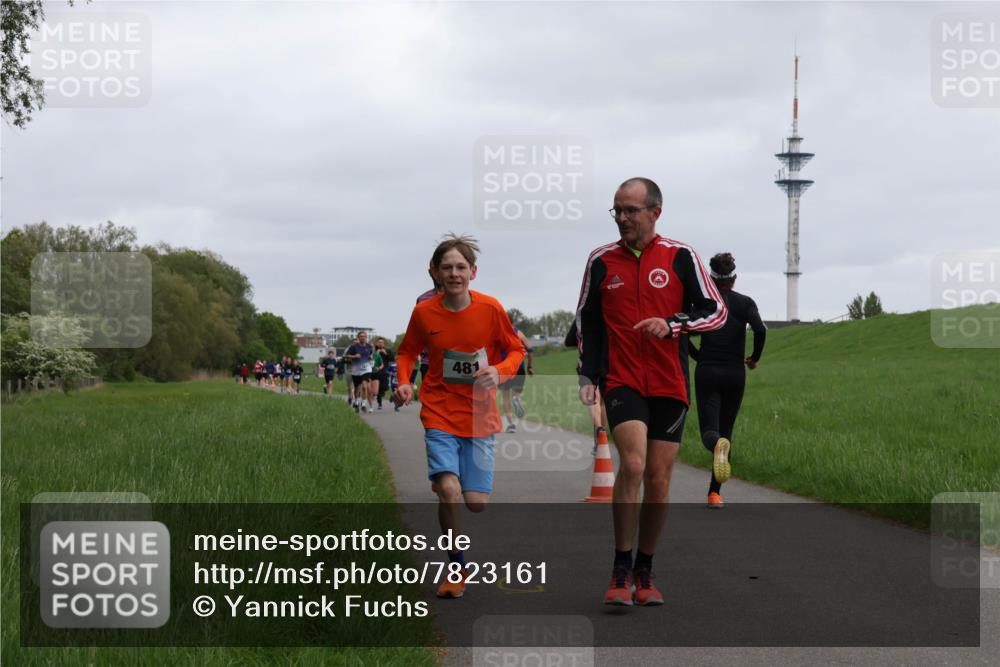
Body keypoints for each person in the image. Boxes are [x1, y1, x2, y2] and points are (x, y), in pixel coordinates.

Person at [576, 177, 727, 607]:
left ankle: (645, 569)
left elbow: (714, 311)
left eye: (631, 210)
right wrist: (588, 374)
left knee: (659, 479)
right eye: (617, 210)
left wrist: (674, 324)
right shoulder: (601, 260)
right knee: (634, 464)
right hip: (622, 379)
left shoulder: (681, 257)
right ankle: (620, 568)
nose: (622, 218)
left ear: (655, 212)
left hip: (669, 382)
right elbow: (586, 320)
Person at [394, 234, 524, 600]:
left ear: (473, 272)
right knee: (449, 491)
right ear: (435, 272)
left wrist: (499, 371)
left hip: (480, 416)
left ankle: (448, 478)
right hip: (438, 409)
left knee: (476, 502)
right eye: (447, 267)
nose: (454, 274)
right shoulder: (423, 313)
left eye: (461, 267)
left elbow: (516, 350)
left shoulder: (490, 309)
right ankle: (455, 565)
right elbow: (407, 353)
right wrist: (405, 382)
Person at [688, 253, 767, 509]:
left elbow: (683, 332)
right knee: (727, 430)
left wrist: (698, 355)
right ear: (734, 278)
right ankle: (714, 494)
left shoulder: (704, 304)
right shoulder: (745, 303)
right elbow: (760, 329)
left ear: (711, 278)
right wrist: (754, 358)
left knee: (709, 432)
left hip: (707, 371)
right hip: (735, 373)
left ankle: (715, 446)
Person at [499, 326, 534, 433]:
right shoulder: (518, 332)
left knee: (505, 396)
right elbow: (530, 348)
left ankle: (511, 424)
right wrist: (530, 366)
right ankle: (516, 398)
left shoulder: (497, 333)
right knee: (516, 393)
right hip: (519, 367)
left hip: (504, 369)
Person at [346, 333, 375, 412]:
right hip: (356, 370)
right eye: (361, 336)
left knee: (365, 386)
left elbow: (371, 354)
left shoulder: (369, 346)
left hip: (366, 369)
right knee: (356, 388)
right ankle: (356, 401)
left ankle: (363, 404)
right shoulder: (353, 347)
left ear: (366, 337)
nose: (363, 338)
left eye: (364, 336)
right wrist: (354, 356)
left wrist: (371, 357)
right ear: (358, 338)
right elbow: (347, 356)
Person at [373, 338, 395, 410]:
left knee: (385, 387)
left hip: (385, 370)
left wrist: (385, 353)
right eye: (379, 342)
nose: (380, 344)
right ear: (377, 343)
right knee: (379, 388)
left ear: (384, 344)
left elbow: (392, 359)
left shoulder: (387, 350)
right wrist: (377, 353)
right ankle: (379, 403)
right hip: (375, 371)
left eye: (382, 342)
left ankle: (382, 393)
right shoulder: (375, 350)